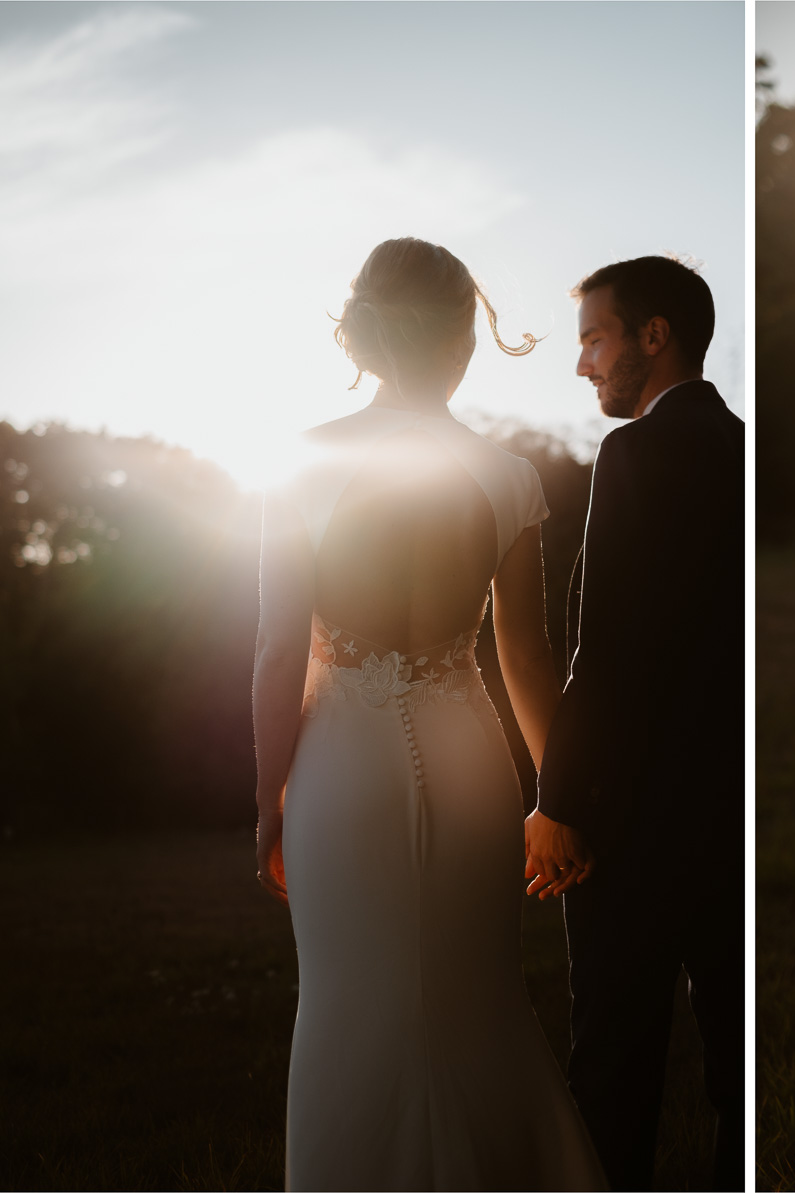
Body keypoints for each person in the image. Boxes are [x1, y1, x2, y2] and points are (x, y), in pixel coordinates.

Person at [251, 237, 605, 1190]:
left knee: (344, 1005)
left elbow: (279, 654)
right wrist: (555, 798)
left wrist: (268, 800)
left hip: (340, 769)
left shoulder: (300, 462)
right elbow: (525, 656)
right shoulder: (506, 474)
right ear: (464, 337)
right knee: (480, 996)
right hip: (471, 762)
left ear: (364, 334)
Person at [525, 255, 745, 1191]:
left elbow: (605, 651)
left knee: (615, 1062)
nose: (582, 365)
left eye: (593, 339)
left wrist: (558, 800)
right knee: (739, 1065)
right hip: (731, 812)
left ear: (654, 337)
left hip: (638, 819)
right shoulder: (740, 445)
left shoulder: (636, 454)